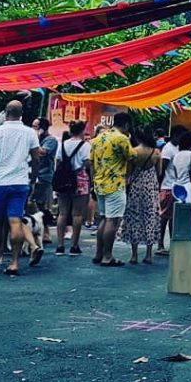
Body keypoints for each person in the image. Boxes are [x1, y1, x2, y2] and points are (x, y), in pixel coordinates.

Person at [0, 100, 43, 275]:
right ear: (22, 114)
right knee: (15, 221)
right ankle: (14, 262)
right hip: (20, 182)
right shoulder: (30, 133)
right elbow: (36, 158)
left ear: (6, 112)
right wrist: (33, 179)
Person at [90, 112, 140, 267]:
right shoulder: (122, 139)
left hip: (99, 183)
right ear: (126, 125)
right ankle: (107, 256)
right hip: (115, 183)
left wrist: (94, 181)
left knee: (104, 219)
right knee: (113, 221)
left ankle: (98, 253)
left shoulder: (98, 138)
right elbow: (133, 157)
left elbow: (90, 162)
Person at [118, 126, 161, 264]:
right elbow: (159, 172)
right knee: (150, 217)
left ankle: (134, 255)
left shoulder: (134, 152)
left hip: (136, 187)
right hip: (151, 187)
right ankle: (148, 254)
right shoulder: (156, 153)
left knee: (134, 217)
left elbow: (128, 172)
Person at [54, 120, 91, 256]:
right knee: (77, 214)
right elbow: (87, 163)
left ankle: (60, 245)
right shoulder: (85, 146)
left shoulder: (63, 144)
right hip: (79, 178)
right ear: (82, 131)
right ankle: (74, 245)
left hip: (63, 179)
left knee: (62, 213)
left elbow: (58, 162)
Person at [156, 125, 186, 256]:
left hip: (176, 187)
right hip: (168, 187)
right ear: (175, 135)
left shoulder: (178, 148)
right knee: (164, 217)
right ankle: (160, 244)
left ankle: (172, 243)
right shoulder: (168, 149)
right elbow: (162, 170)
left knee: (173, 218)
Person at [30, 118, 58, 245]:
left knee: (41, 204)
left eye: (36, 126)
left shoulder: (50, 140)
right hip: (30, 174)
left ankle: (46, 231)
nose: (34, 129)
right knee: (31, 203)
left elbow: (42, 152)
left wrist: (34, 137)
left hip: (43, 176)